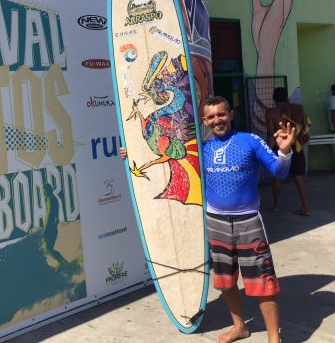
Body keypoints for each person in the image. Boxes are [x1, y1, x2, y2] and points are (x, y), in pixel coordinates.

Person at [120, 95, 295, 343]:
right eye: (211, 117)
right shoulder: (201, 149)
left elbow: (280, 171)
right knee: (225, 280)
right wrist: (132, 154)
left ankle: (273, 340)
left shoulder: (250, 141)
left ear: (231, 115)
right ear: (204, 120)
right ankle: (240, 327)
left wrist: (285, 151)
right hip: (216, 222)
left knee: (262, 281)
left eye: (221, 114)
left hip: (248, 222)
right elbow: (164, 162)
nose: (217, 120)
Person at [266, 87, 311, 215]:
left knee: (277, 177)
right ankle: (305, 208)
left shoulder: (271, 113)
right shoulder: (298, 109)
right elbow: (306, 125)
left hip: (280, 147)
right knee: (298, 177)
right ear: (286, 97)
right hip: (296, 146)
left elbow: (270, 134)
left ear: (274, 98)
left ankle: (276, 206)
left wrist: (268, 151)